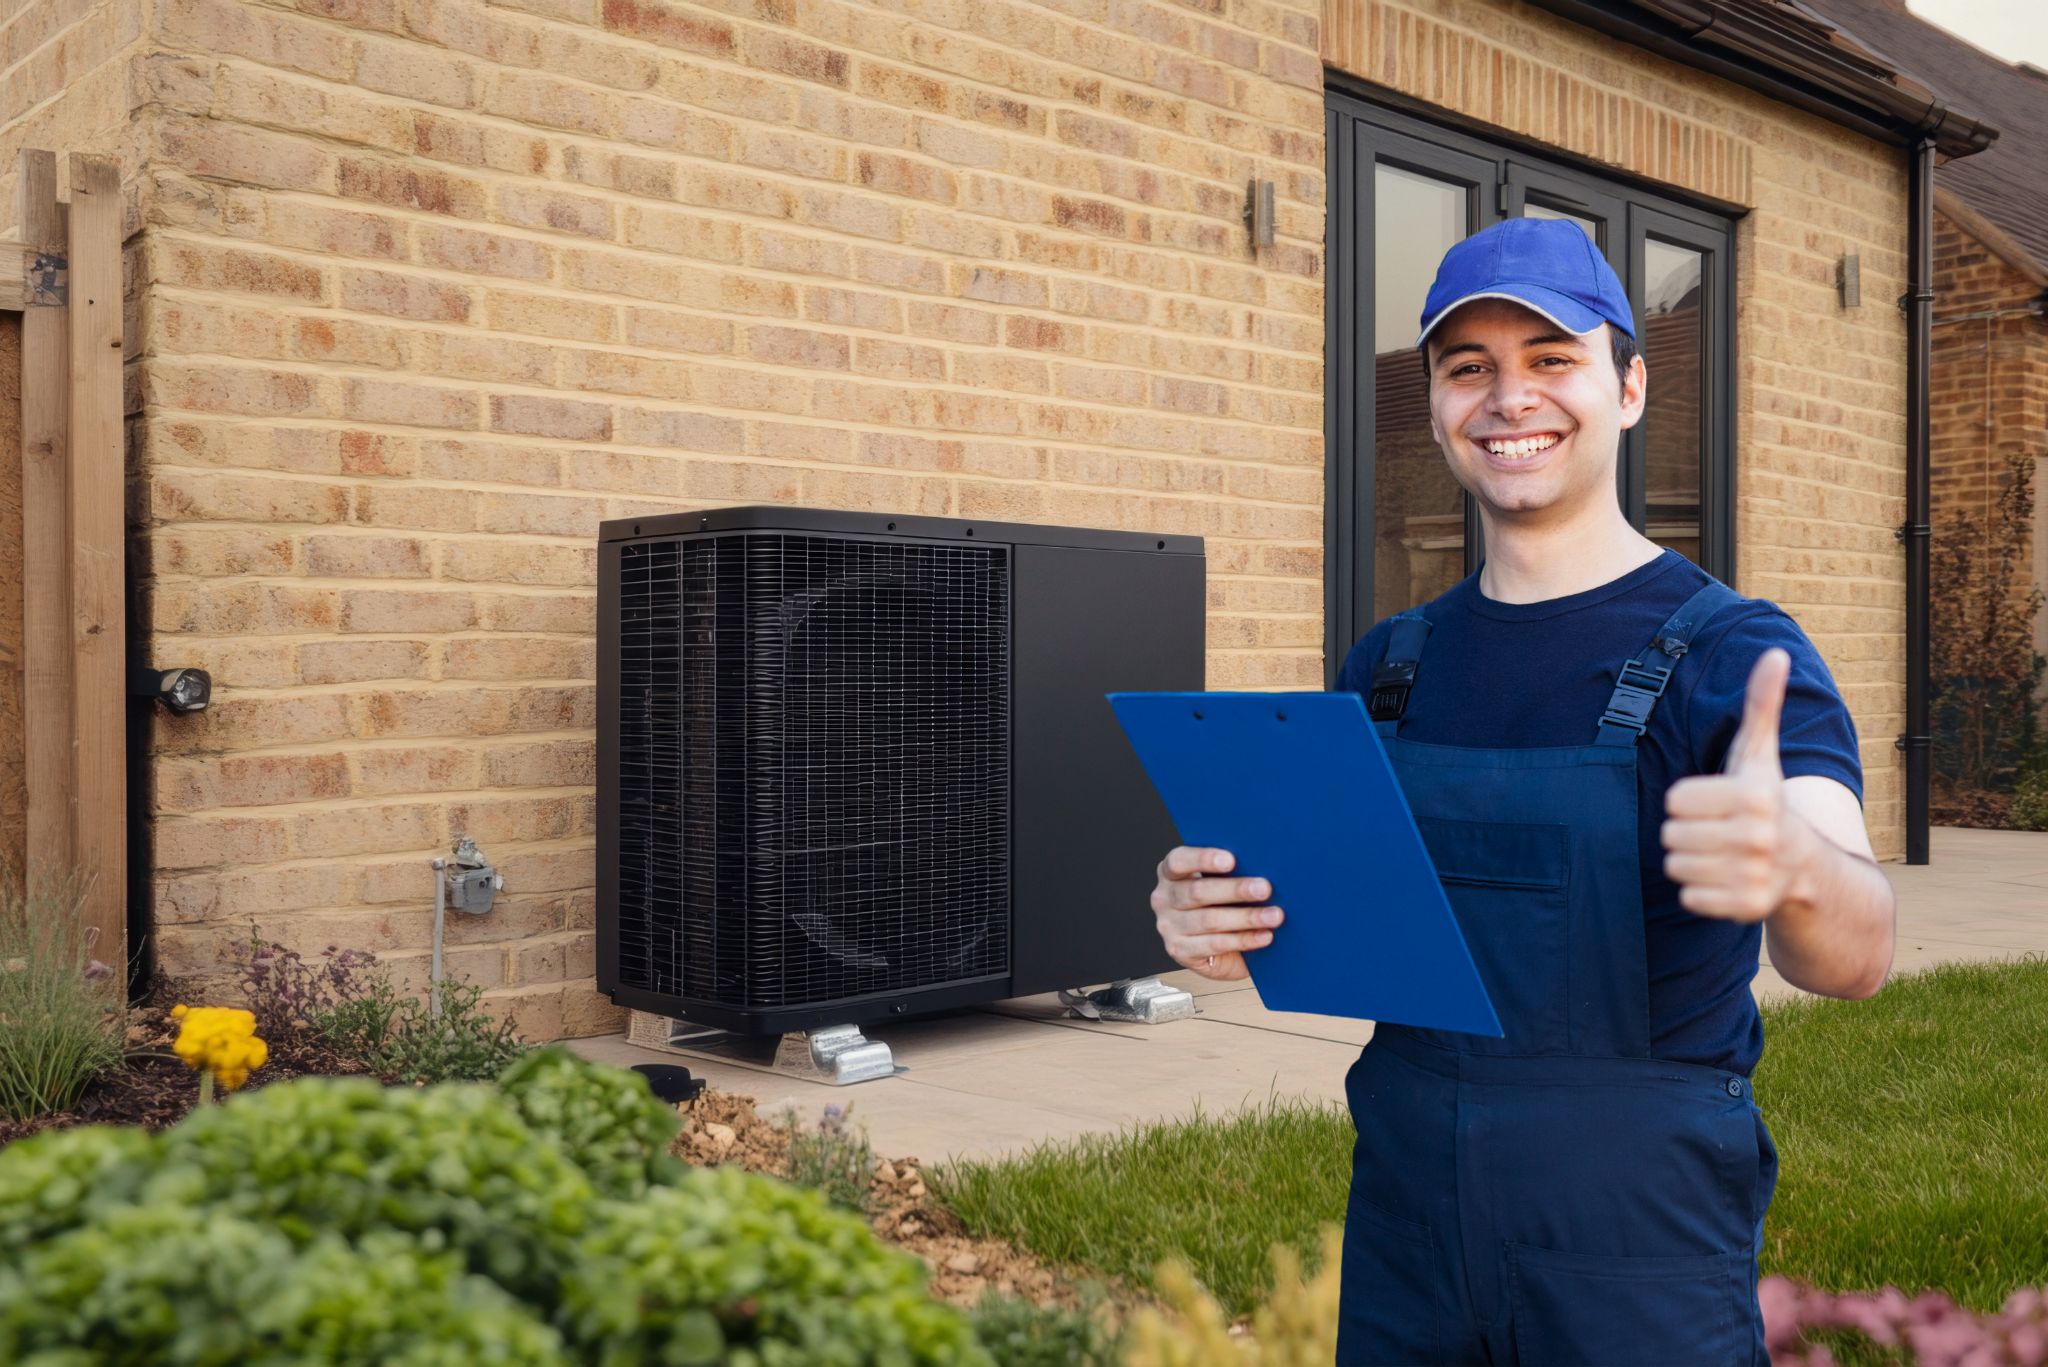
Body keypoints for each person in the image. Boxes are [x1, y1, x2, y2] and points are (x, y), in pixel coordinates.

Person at [1148, 217, 1896, 1366]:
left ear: (1629, 385)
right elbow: (1327, 919)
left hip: (1632, 1240)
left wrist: (1794, 870)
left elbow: (1852, 954)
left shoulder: (1732, 653)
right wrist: (1216, 912)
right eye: (1468, 368)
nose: (1508, 397)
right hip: (1406, 1225)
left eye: (1551, 359)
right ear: (1438, 403)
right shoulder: (1389, 665)